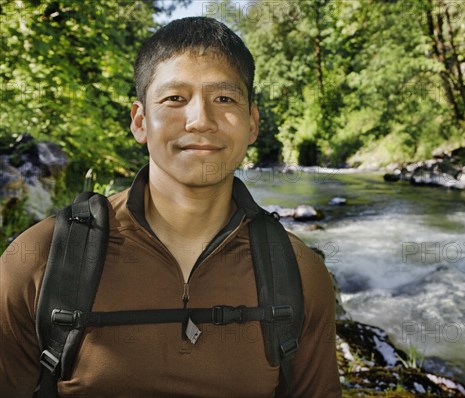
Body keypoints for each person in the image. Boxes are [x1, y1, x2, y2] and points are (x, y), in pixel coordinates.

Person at [0, 17, 341, 397]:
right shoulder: (40, 260)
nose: (200, 121)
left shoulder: (298, 273)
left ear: (252, 123)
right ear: (140, 121)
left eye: (224, 99)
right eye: (175, 98)